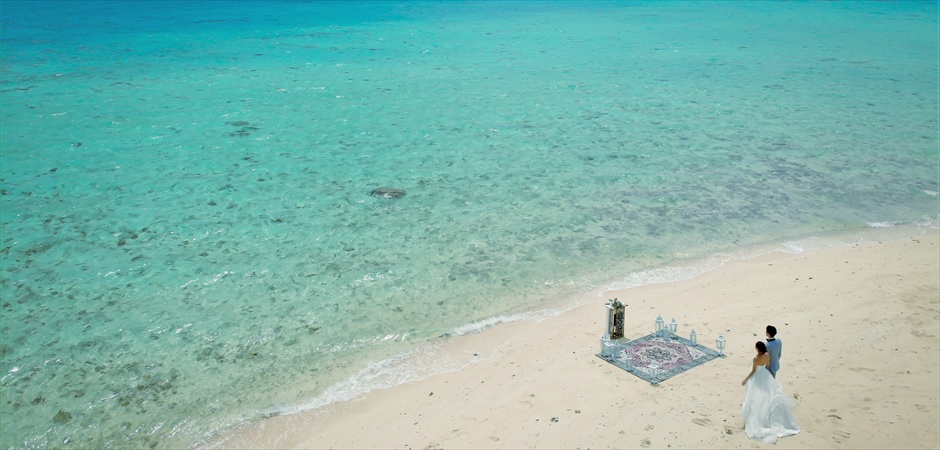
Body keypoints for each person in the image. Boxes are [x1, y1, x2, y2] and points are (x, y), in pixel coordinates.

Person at [739, 341, 801, 443]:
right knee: (767, 395)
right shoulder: (767, 355)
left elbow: (753, 371)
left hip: (757, 377)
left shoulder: (755, 359)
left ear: (757, 349)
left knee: (755, 397)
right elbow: (767, 364)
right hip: (765, 375)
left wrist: (745, 379)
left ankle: (756, 418)